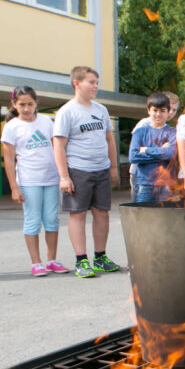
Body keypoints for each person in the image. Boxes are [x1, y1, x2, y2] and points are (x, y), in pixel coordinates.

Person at [52, 66, 121, 279]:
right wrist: (64, 177)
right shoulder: (67, 112)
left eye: (97, 82)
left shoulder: (101, 110)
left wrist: (113, 167)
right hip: (78, 170)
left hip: (101, 169)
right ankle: (81, 260)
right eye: (91, 82)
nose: (95, 87)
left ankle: (100, 257)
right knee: (78, 214)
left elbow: (109, 139)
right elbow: (59, 146)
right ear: (77, 83)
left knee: (102, 213)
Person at [0, 85, 69, 277]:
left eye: (30, 104)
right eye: (22, 104)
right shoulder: (12, 127)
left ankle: (51, 260)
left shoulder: (47, 122)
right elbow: (8, 158)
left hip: (51, 178)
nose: (26, 108)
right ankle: (36, 262)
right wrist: (14, 187)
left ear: (36, 103)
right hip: (29, 181)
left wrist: (64, 175)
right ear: (14, 104)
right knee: (32, 220)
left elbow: (58, 148)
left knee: (52, 220)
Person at [129, 92, 177, 202]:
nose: (158, 114)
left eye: (162, 111)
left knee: (164, 218)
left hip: (165, 184)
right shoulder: (140, 132)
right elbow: (133, 156)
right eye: (155, 110)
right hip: (144, 183)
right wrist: (162, 151)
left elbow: (171, 153)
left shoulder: (172, 132)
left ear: (167, 111)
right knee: (142, 216)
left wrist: (146, 150)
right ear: (148, 111)